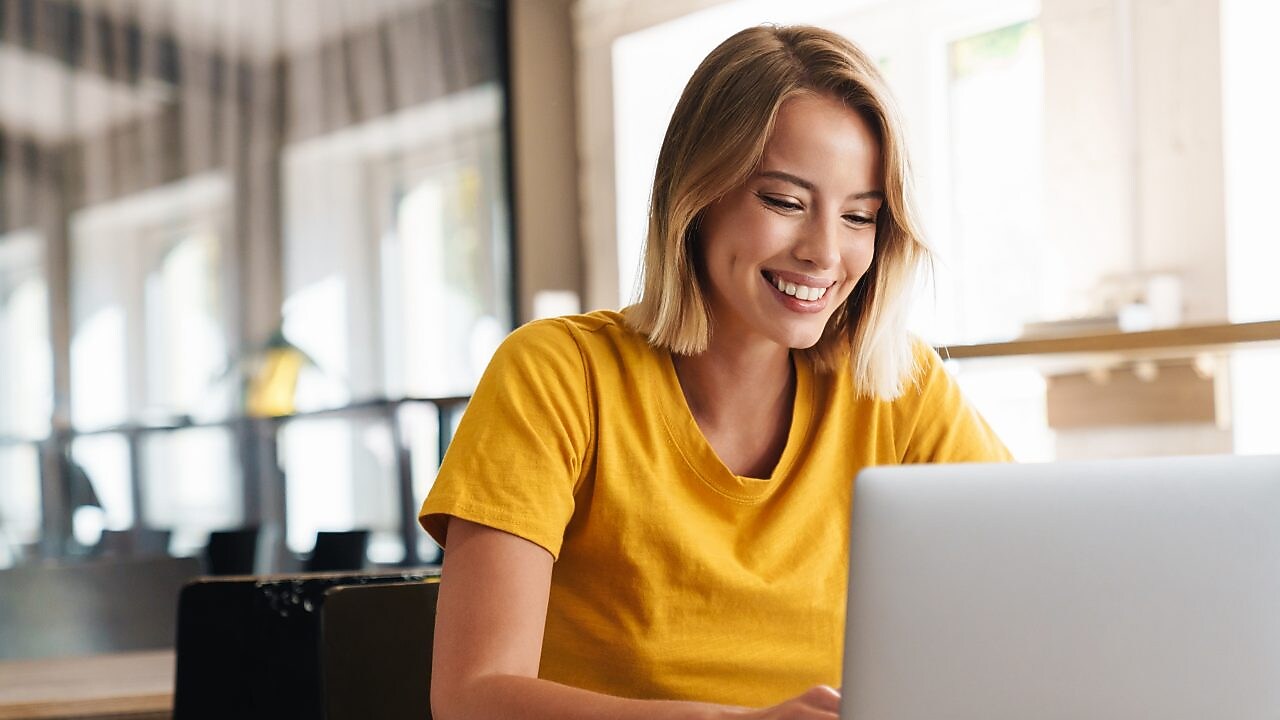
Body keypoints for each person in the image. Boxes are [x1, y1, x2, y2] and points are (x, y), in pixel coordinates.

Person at [419, 24, 1011, 720]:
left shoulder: (898, 387)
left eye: (859, 216)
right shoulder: (557, 374)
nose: (825, 252)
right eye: (785, 202)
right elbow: (472, 697)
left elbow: (1033, 588)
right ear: (696, 197)